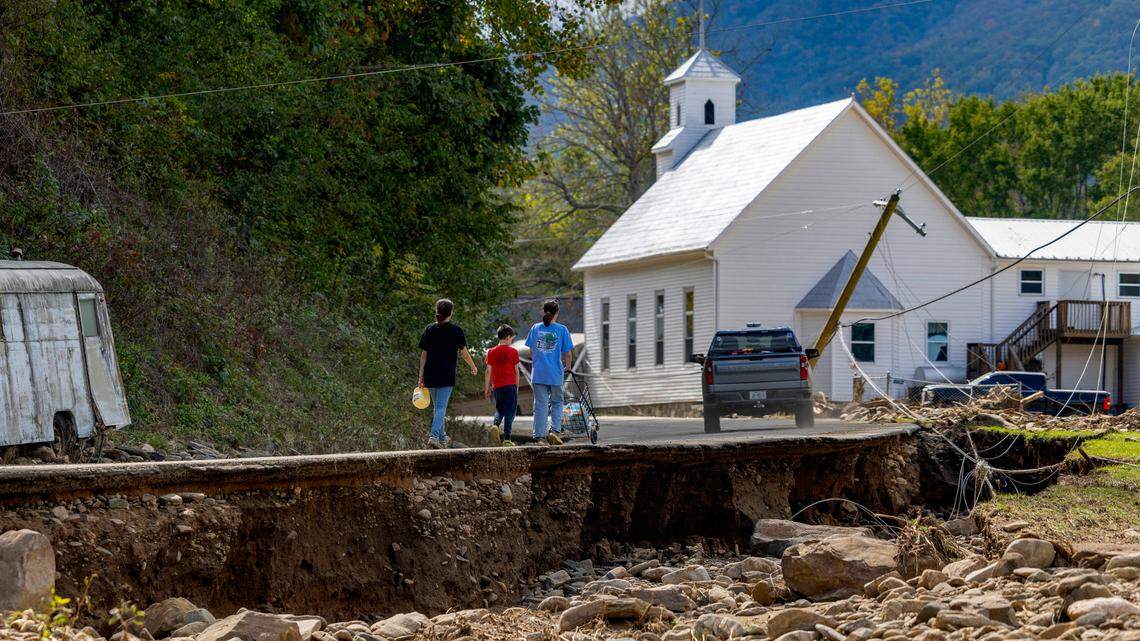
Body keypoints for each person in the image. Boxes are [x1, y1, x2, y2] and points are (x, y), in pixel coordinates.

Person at [418, 299, 478, 449]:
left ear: (437, 311)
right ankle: (434, 436)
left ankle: (442, 438)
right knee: (440, 408)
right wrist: (473, 366)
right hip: (446, 375)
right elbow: (464, 353)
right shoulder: (456, 330)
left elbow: (423, 355)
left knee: (438, 407)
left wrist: (421, 377)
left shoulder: (429, 329)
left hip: (430, 375)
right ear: (450, 313)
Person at [525, 299, 573, 445]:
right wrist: (568, 366)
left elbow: (531, 349)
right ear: (556, 313)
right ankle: (554, 432)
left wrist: (537, 361)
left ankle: (539, 437)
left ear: (543, 311)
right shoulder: (562, 329)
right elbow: (568, 353)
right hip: (555, 373)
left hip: (538, 372)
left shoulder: (535, 328)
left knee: (540, 404)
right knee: (557, 402)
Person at [484, 324, 520, 446]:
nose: (512, 341)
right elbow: (516, 372)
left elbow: (488, 371)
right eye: (512, 339)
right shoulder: (513, 352)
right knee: (510, 411)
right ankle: (507, 439)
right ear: (508, 337)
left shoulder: (491, 352)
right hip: (510, 385)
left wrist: (486, 388)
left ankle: (495, 425)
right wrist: (517, 387)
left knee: (500, 409)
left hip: (497, 386)